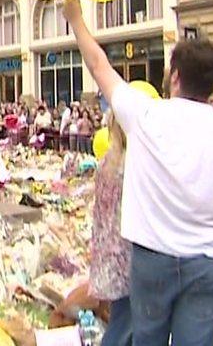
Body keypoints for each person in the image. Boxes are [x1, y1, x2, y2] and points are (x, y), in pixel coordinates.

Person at [62, 0, 213, 346]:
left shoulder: (146, 115)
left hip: (153, 256)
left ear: (175, 76)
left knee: (148, 339)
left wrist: (76, 18)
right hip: (210, 259)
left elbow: (98, 65)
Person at [89, 114, 132, 346]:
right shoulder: (129, 165)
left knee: (122, 319)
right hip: (129, 252)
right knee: (126, 323)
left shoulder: (107, 161)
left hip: (110, 250)